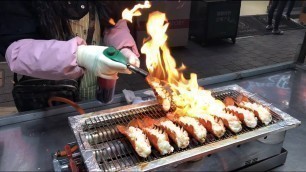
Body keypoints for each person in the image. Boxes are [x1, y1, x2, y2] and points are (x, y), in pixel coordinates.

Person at [0, 1, 141, 111]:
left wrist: (123, 47)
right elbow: (16, 52)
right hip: (47, 101)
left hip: (93, 91)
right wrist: (79, 55)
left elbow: (112, 23)